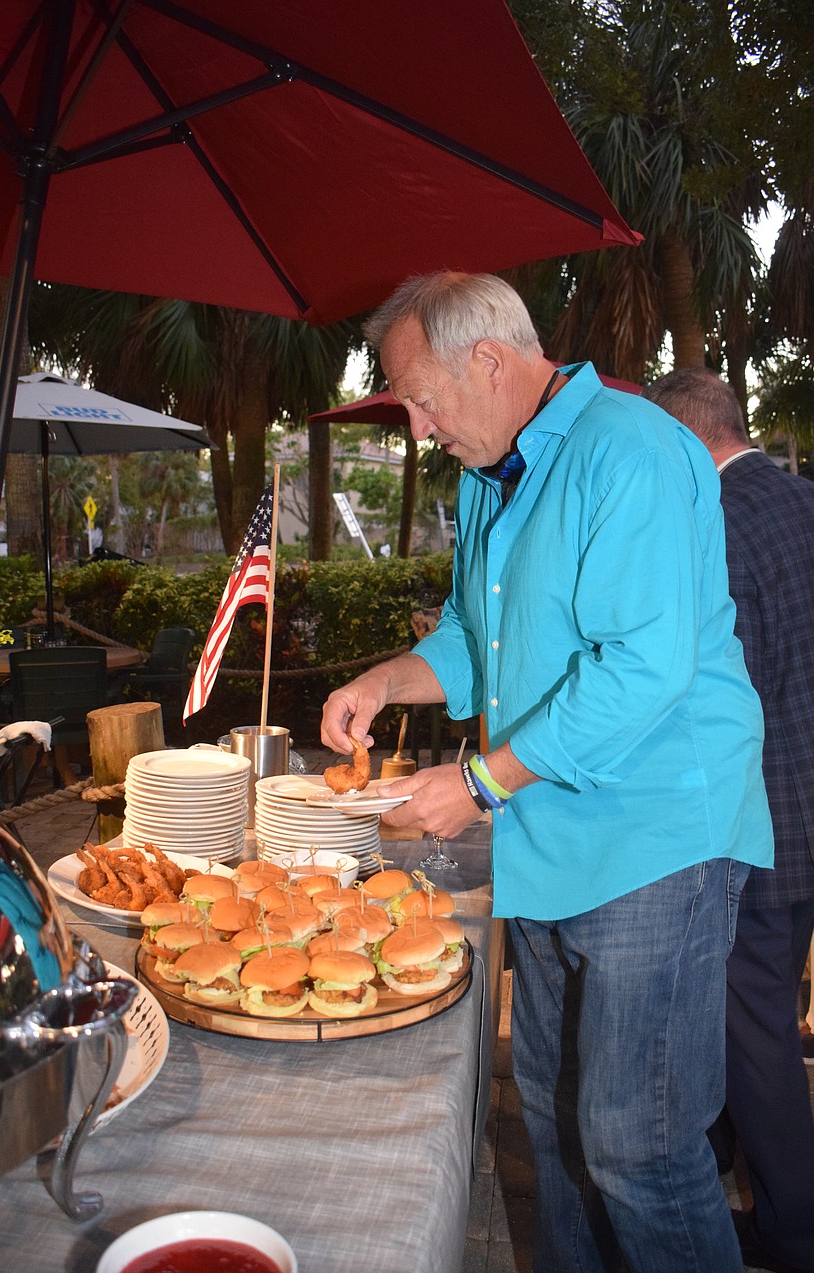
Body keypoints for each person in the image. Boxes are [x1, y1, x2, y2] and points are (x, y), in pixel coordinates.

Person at [321, 271, 773, 1273]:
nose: (417, 427)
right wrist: (386, 680)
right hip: (553, 843)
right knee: (557, 1124)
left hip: (655, 841)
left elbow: (645, 665)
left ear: (488, 360)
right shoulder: (493, 479)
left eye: (420, 397)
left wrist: (479, 782)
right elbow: (481, 644)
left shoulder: (630, 448)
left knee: (639, 1144)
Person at [644, 368, 814, 1273]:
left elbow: (715, 694)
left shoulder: (713, 520)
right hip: (807, 815)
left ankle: (791, 1231)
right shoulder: (801, 499)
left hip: (757, 824)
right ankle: (713, 1170)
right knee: (756, 1020)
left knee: (756, 1039)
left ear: (681, 438)